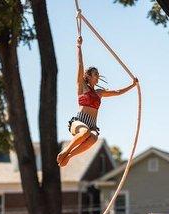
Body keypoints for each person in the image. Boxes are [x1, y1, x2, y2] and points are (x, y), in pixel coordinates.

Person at [57, 35, 138, 167]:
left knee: (93, 138)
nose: (98, 76)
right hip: (79, 121)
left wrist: (132, 85)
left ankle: (69, 156)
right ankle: (66, 150)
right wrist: (79, 46)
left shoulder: (99, 93)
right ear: (88, 76)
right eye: (95, 74)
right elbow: (80, 65)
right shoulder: (82, 86)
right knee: (85, 132)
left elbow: (117, 92)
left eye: (98, 74)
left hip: (92, 125)